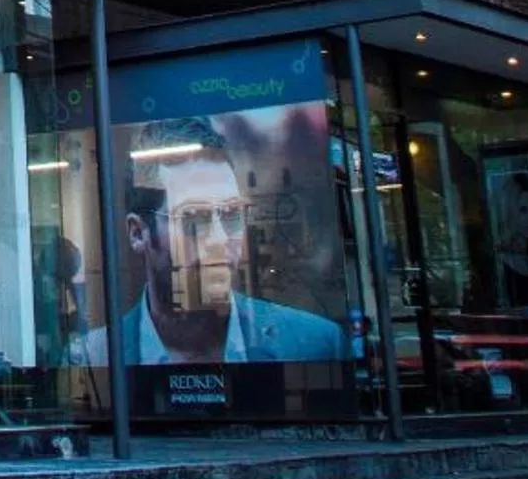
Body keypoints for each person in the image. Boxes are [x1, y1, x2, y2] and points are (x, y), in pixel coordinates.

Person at [85, 118, 343, 367]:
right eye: (194, 218)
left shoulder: (317, 343)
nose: (219, 239)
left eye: (231, 214)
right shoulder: (93, 355)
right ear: (138, 234)